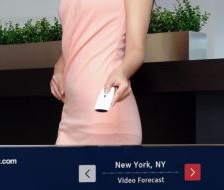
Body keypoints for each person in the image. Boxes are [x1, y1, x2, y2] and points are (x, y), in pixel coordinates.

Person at [50, 0, 153, 145]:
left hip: (104, 110)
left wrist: (122, 72)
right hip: (70, 113)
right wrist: (60, 67)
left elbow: (136, 49)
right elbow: (78, 35)